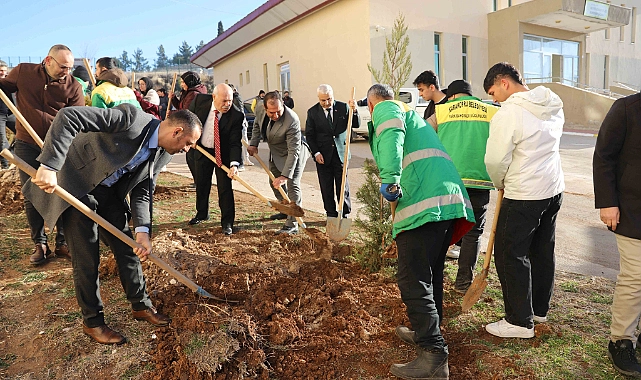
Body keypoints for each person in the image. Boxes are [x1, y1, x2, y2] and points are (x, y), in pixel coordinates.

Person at [24, 104, 202, 345]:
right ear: (177, 131)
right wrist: (49, 165)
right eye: (189, 143)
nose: (188, 149)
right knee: (87, 256)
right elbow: (69, 116)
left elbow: (143, 190)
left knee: (127, 247)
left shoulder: (164, 153)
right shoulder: (131, 119)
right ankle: (93, 323)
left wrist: (143, 231)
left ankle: (141, 305)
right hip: (77, 184)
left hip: (107, 191)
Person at [366, 84, 474, 380]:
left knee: (411, 276)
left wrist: (389, 179)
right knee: (430, 271)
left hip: (425, 203)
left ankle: (434, 354)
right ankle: (429, 330)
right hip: (445, 200)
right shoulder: (412, 115)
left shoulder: (387, 108)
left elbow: (390, 136)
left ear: (372, 104)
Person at [483, 62, 564, 339]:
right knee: (542, 250)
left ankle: (519, 321)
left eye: (493, 92)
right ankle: (538, 309)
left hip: (524, 194)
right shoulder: (553, 104)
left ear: (504, 82)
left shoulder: (509, 113)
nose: (493, 99)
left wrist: (499, 182)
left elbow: (495, 159)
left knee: (509, 254)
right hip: (553, 190)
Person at [0, 44, 84, 264]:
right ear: (48, 61)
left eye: (69, 68)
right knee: (31, 193)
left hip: (57, 147)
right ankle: (40, 244)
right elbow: (4, 86)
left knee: (62, 193)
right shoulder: (24, 72)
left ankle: (63, 244)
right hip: (26, 143)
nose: (67, 71)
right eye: (63, 67)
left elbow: (79, 120)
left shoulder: (73, 87)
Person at [426, 79, 498, 293]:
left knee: (443, 229)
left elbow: (424, 135)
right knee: (473, 233)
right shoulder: (491, 111)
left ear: (453, 96)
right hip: (480, 182)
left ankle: (432, 279)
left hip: (448, 181)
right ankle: (463, 282)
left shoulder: (442, 111)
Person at [593, 93, 641, 377]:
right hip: (632, 210)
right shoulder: (626, 108)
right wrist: (607, 202)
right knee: (635, 277)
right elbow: (603, 157)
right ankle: (621, 341)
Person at [247, 91, 310, 234]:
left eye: (278, 111)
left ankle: (292, 224)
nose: (275, 115)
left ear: (283, 104)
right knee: (273, 182)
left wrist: (285, 175)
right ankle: (285, 209)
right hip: (275, 151)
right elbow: (257, 125)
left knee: (292, 185)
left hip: (295, 152)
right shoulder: (260, 110)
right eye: (271, 113)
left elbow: (294, 151)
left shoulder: (292, 119)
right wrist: (254, 143)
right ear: (265, 108)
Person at [187, 84, 243, 235]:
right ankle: (202, 213)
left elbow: (234, 143)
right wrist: (189, 139)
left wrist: (234, 165)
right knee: (201, 183)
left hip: (222, 154)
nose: (227, 105)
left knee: (225, 188)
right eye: (224, 101)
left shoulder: (236, 116)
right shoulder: (200, 102)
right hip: (202, 150)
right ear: (214, 97)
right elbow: (188, 120)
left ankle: (227, 223)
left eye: (230, 101)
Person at [305, 84, 358, 218]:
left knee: (342, 187)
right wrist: (316, 153)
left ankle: (344, 213)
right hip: (323, 156)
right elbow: (310, 136)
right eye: (323, 100)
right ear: (318, 98)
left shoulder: (342, 107)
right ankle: (331, 214)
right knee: (326, 187)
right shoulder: (312, 112)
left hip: (341, 154)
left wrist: (354, 110)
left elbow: (355, 124)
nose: (327, 103)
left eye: (329, 99)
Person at [170, 71, 207, 185]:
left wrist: (172, 113)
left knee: (193, 157)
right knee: (190, 157)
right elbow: (181, 106)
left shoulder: (194, 94)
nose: (182, 84)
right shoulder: (187, 92)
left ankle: (199, 182)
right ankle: (198, 181)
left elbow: (186, 111)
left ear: (189, 82)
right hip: (190, 127)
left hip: (195, 129)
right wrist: (173, 99)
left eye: (183, 82)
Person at [0, 60, 16, 170]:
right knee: (2, 139)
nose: (3, 73)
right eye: (0, 71)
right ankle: (5, 165)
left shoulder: (8, 82)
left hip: (10, 113)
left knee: (22, 133)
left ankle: (11, 153)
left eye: (4, 71)